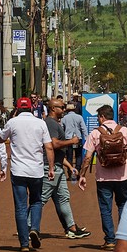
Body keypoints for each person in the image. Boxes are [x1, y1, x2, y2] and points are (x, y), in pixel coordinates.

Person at [79, 104, 127, 250]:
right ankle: (123, 239)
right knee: (123, 206)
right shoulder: (124, 131)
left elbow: (88, 157)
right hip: (122, 177)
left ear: (101, 117)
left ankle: (110, 240)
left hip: (103, 178)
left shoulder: (95, 133)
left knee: (105, 208)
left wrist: (82, 175)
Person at [0, 97, 55, 252]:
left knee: (21, 206)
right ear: (32, 108)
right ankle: (34, 228)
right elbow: (49, 147)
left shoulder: (12, 122)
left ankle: (24, 243)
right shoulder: (40, 123)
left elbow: (1, 138)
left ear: (17, 108)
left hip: (18, 171)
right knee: (36, 201)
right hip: (36, 170)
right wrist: (51, 168)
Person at [40, 99, 90, 239]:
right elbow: (54, 145)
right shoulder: (50, 124)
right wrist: (71, 141)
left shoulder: (55, 123)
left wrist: (70, 167)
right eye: (62, 107)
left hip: (58, 167)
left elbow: (58, 153)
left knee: (64, 198)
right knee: (42, 199)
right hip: (51, 168)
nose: (64, 110)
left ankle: (72, 228)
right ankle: (26, 226)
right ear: (53, 109)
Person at [61, 101, 87, 168]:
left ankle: (70, 171)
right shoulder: (79, 117)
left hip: (68, 139)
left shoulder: (64, 118)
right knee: (78, 156)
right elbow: (84, 128)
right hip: (78, 138)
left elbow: (61, 129)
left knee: (69, 156)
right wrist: (86, 138)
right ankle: (78, 170)